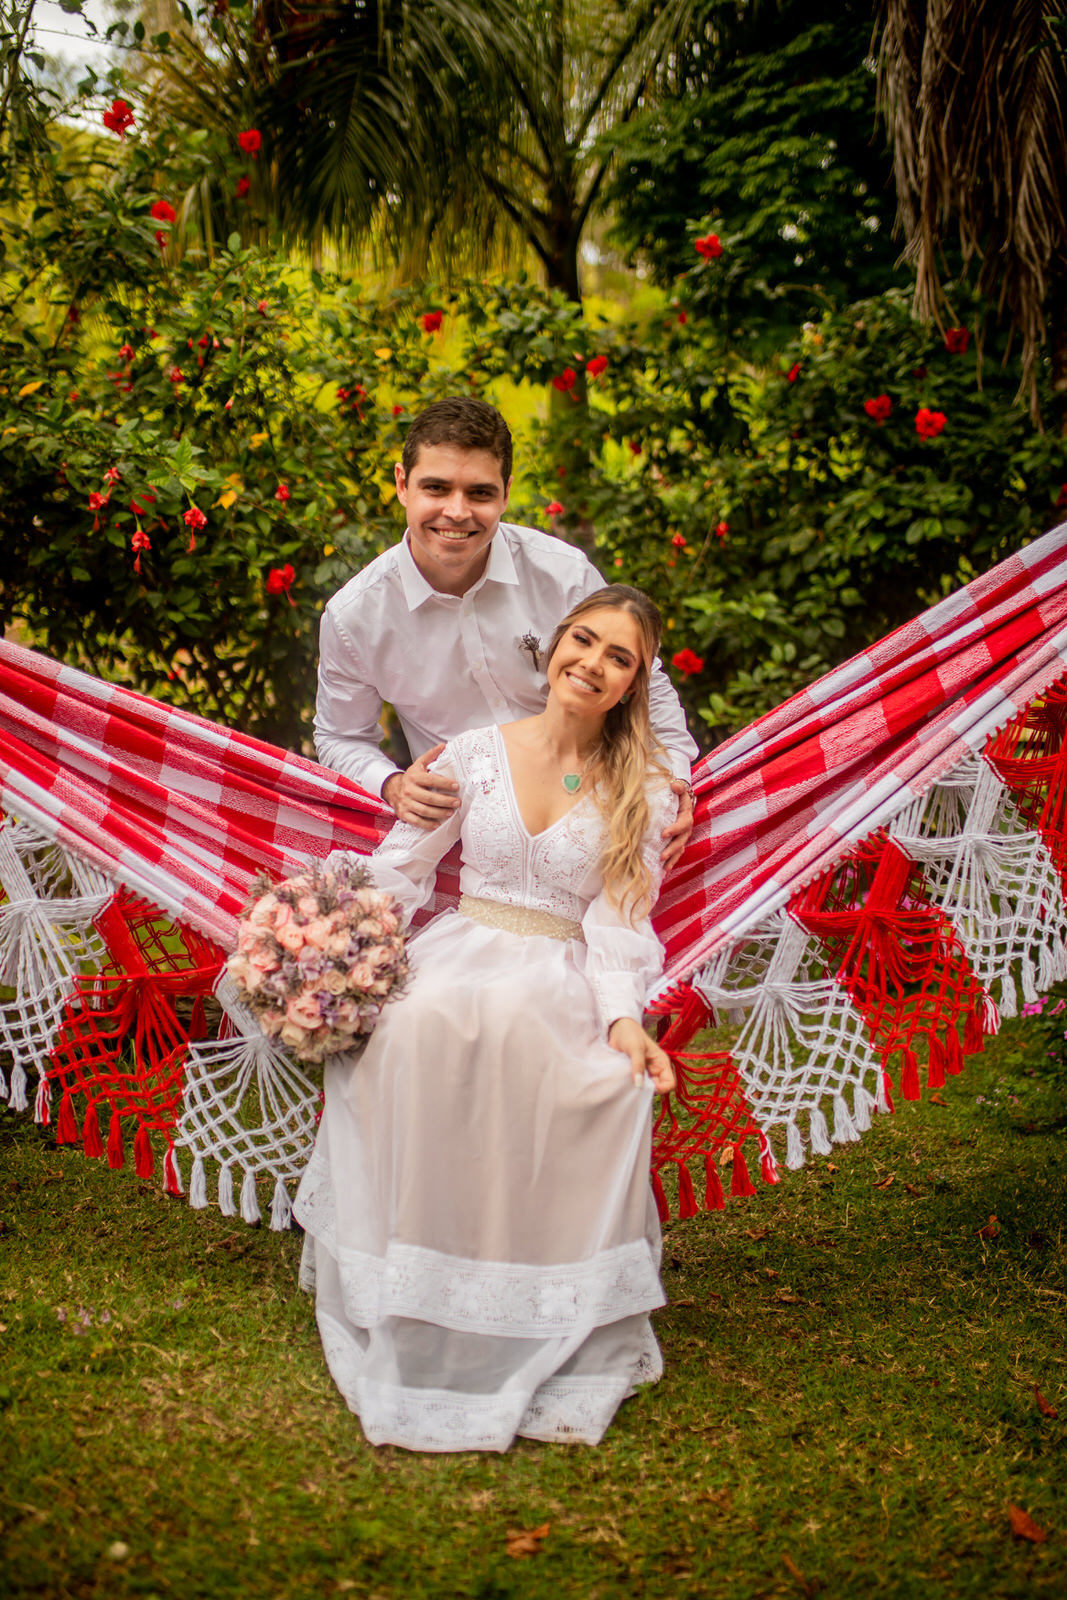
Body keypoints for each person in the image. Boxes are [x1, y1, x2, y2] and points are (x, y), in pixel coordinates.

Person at [294, 585, 678, 1452]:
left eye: (619, 658)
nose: (593, 663)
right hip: (460, 943)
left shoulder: (640, 792)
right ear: (551, 650)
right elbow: (404, 867)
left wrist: (624, 1024)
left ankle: (525, 1295)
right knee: (415, 1033)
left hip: (561, 966)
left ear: (632, 685)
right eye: (583, 640)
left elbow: (619, 924)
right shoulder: (468, 754)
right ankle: (412, 1284)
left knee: (578, 1073)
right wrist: (335, 942)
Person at [313, 396, 698, 868]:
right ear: (402, 484)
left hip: (592, 821)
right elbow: (340, 737)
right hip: (465, 839)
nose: (456, 512)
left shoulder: (562, 574)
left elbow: (645, 683)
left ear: (506, 493)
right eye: (436, 488)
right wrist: (391, 784)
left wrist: (674, 775)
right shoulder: (355, 617)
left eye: (479, 493)